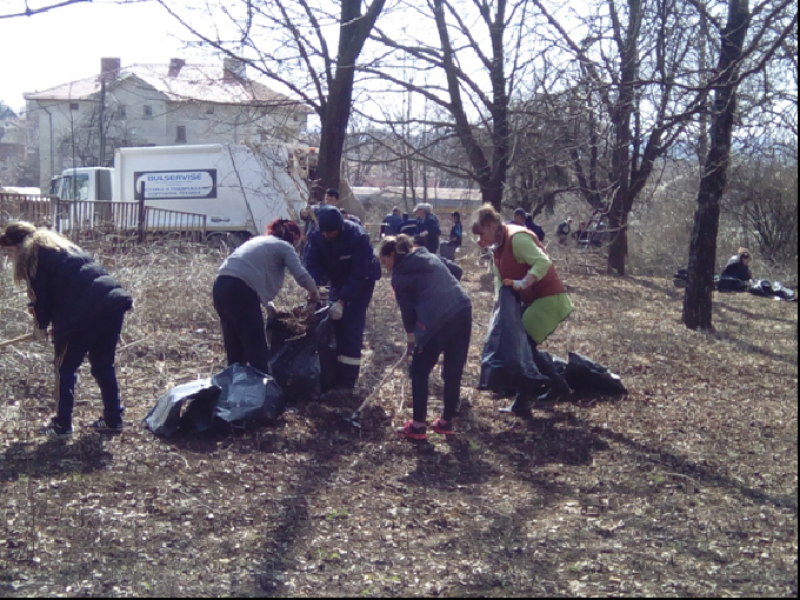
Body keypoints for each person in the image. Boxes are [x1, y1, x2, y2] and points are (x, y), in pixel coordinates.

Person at [0, 221, 133, 439]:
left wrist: (40, 327)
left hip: (83, 312)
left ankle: (62, 425)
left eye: (8, 251)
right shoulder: (64, 249)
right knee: (103, 365)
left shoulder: (33, 258)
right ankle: (113, 419)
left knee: (65, 367)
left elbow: (40, 301)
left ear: (18, 245)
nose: (8, 257)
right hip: (113, 303)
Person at [472, 204, 574, 415]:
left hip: (548, 297)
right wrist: (501, 311)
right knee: (524, 344)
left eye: (482, 233)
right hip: (533, 299)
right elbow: (500, 281)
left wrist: (525, 282)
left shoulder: (517, 239)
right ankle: (559, 387)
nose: (481, 241)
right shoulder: (497, 248)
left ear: (491, 226)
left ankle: (523, 400)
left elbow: (542, 262)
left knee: (520, 344)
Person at [379, 234, 472, 440]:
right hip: (462, 308)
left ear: (392, 255)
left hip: (436, 320)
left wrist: (411, 339)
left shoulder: (400, 275)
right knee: (453, 370)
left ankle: (418, 426)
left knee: (419, 371)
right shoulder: (426, 254)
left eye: (384, 260)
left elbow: (408, 312)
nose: (385, 266)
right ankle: (446, 422)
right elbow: (457, 270)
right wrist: (441, 290)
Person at [213, 219, 319, 375]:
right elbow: (301, 276)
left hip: (220, 287)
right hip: (241, 291)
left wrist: (267, 303)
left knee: (234, 346)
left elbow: (251, 271)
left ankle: (235, 391)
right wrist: (314, 293)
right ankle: (264, 392)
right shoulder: (284, 246)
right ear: (293, 237)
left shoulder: (257, 241)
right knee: (257, 349)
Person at [304, 206, 381, 392]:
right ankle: (331, 375)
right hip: (337, 280)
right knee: (332, 325)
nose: (328, 235)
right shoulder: (317, 236)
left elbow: (359, 274)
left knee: (351, 327)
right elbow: (312, 263)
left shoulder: (358, 237)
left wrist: (342, 301)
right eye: (325, 232)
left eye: (332, 232)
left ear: (340, 227)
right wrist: (314, 290)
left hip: (362, 283)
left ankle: (347, 382)